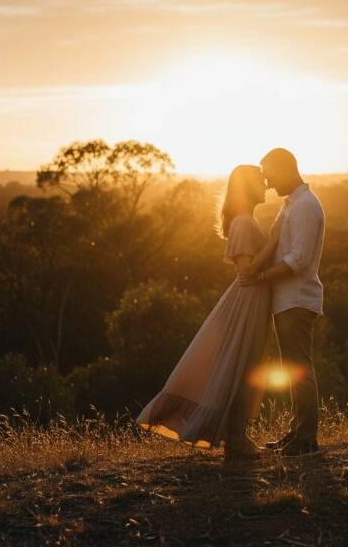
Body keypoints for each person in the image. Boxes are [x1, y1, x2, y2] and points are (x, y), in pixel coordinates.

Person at [135, 164, 279, 460]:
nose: (266, 186)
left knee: (246, 368)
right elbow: (246, 272)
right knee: (240, 368)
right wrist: (276, 241)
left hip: (255, 302)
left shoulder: (246, 220)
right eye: (261, 181)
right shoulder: (242, 222)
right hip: (247, 303)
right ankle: (235, 440)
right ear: (248, 186)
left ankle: (237, 436)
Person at [238, 148, 326, 457]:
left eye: (270, 174)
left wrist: (261, 278)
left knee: (300, 368)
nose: (268, 182)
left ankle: (306, 440)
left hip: (297, 299)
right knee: (293, 368)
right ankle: (298, 433)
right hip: (287, 299)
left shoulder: (304, 207)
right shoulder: (292, 204)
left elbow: (298, 259)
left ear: (287, 169)